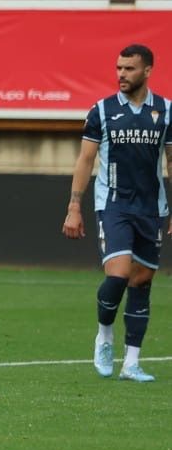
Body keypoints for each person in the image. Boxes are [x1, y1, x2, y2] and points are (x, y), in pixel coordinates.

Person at [61, 44, 171, 383]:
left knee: (142, 281)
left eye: (129, 68)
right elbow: (85, 160)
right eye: (119, 68)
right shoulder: (102, 110)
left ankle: (132, 363)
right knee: (119, 275)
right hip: (113, 205)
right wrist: (74, 206)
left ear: (147, 71)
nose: (121, 74)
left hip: (151, 208)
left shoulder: (166, 110)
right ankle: (105, 335)